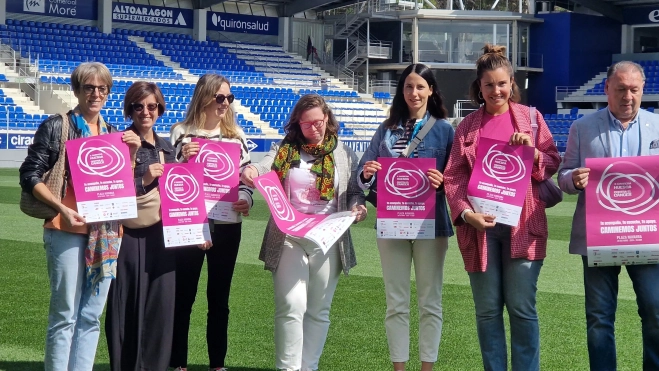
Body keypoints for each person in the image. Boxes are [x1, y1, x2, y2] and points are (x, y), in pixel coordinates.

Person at [443, 44, 560, 371]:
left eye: (502, 83)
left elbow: (551, 162)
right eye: (489, 84)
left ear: (512, 83)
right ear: (478, 88)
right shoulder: (466, 126)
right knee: (488, 311)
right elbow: (453, 177)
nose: (496, 90)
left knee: (522, 310)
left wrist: (535, 154)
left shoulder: (532, 119)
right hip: (481, 231)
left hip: (524, 226)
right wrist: (467, 214)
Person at [18, 62, 141, 370]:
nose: (95, 94)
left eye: (102, 89)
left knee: (90, 316)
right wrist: (62, 209)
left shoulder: (115, 134)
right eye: (89, 87)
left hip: (107, 233)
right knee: (65, 313)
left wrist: (134, 154)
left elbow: (121, 185)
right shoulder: (57, 126)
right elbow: (29, 175)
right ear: (77, 90)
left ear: (109, 93)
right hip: (65, 228)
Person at [241, 94, 367, 371]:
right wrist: (252, 169)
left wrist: (359, 208)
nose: (315, 128)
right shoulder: (285, 149)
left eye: (319, 122)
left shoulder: (343, 154)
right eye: (307, 124)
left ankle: (309, 367)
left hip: (328, 236)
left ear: (328, 119)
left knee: (319, 311)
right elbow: (265, 166)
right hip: (289, 235)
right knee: (290, 305)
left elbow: (355, 192)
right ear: (298, 124)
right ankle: (288, 368)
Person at [558, 61, 659, 370]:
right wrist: (574, 179)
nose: (627, 96)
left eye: (634, 90)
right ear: (606, 90)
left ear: (643, 90)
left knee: (655, 312)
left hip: (647, 234)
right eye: (620, 89)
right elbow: (563, 175)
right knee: (599, 317)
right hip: (599, 236)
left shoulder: (657, 125)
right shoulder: (583, 127)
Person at [357, 63, 454, 371]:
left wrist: (444, 181)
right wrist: (367, 173)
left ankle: (427, 368)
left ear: (431, 91)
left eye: (420, 87)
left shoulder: (445, 129)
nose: (414, 92)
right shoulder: (385, 129)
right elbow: (362, 175)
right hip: (392, 223)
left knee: (430, 302)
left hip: (432, 223)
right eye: (409, 86)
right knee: (396, 302)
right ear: (402, 91)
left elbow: (458, 179)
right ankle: (399, 368)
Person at [169, 73, 253, 371]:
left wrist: (247, 198)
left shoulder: (237, 137)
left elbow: (245, 179)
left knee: (220, 298)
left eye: (229, 98)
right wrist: (180, 161)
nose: (225, 103)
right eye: (220, 97)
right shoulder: (181, 132)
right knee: (183, 297)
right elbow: (172, 179)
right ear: (204, 97)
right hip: (189, 223)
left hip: (228, 225)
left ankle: (217, 363)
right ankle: (178, 362)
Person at [104, 81, 178, 370]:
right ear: (129, 110)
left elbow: (179, 196)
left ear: (160, 109)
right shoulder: (116, 143)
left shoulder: (167, 148)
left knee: (161, 305)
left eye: (152, 106)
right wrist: (143, 180)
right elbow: (107, 191)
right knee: (125, 303)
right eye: (138, 106)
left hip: (162, 235)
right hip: (126, 233)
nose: (146, 112)